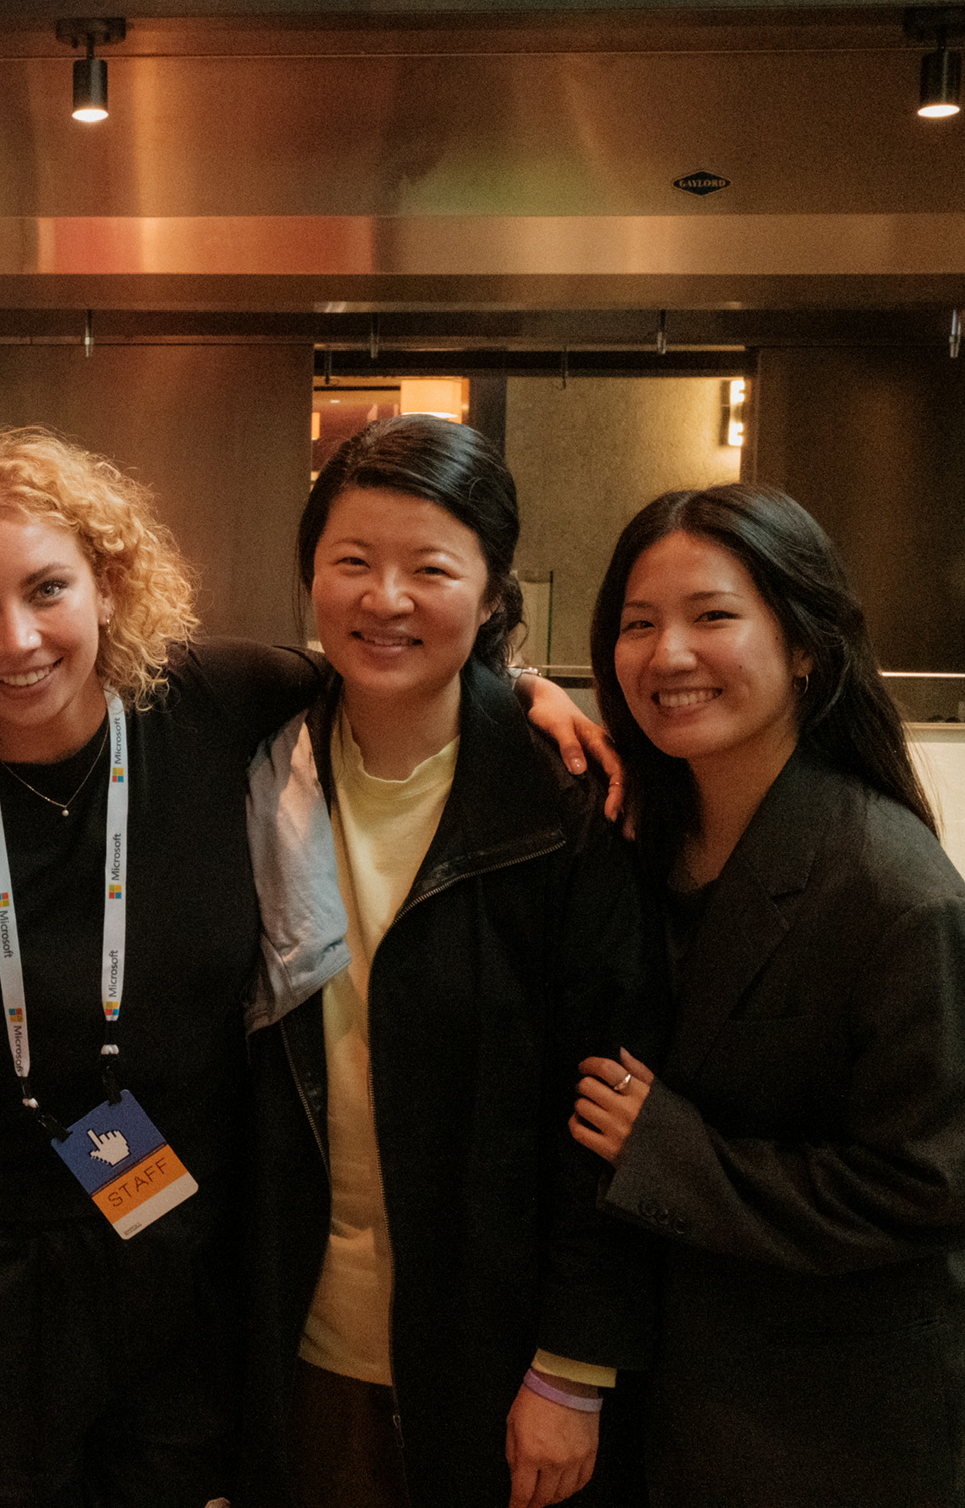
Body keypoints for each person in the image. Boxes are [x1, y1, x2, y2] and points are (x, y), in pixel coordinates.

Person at [0, 425, 611, 1507]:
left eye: (47, 589)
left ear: (110, 586)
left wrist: (527, 693)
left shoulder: (214, 704)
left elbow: (391, 665)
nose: (16, 638)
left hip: (194, 1262)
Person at [237, 416, 657, 1508]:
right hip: (298, 1346)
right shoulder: (253, 769)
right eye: (352, 564)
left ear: (489, 589)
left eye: (430, 568)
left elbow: (607, 1101)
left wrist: (573, 1367)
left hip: (499, 1359)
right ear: (310, 578)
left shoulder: (562, 802)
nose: (385, 600)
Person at [569, 482, 965, 1507]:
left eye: (713, 616)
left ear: (807, 648)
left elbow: (935, 1191)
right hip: (686, 1418)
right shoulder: (643, 838)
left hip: (845, 1440)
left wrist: (673, 1154)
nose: (668, 654)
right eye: (639, 624)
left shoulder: (897, 897)